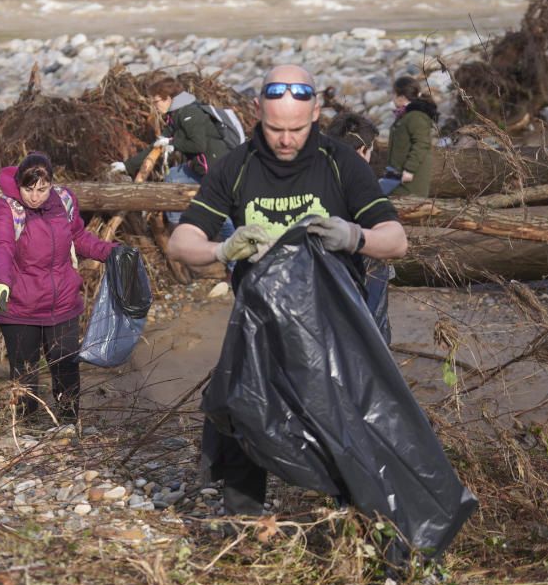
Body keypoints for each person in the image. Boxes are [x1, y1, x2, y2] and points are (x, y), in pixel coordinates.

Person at [167, 65, 408, 516]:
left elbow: (396, 239)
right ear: (256, 112)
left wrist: (354, 236)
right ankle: (245, 525)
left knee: (347, 432)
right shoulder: (235, 168)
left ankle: (352, 519)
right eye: (275, 127)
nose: (285, 139)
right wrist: (224, 249)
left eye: (297, 129)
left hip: (332, 329)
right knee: (241, 415)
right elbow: (182, 243)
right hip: (260, 329)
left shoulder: (342, 163)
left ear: (316, 113)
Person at [0, 152, 117, 425]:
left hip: (63, 303)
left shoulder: (64, 201)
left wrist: (112, 253)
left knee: (66, 367)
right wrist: (0, 282)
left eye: (42, 189)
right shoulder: (7, 207)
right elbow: (1, 246)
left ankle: (69, 424)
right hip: (21, 306)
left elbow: (79, 238)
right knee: (24, 372)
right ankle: (26, 427)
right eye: (29, 189)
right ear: (19, 184)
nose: (35, 196)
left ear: (51, 185)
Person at [114, 77, 235, 235]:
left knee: (222, 217)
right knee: (173, 175)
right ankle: (179, 229)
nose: (155, 107)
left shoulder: (190, 113)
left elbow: (198, 145)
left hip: (214, 169)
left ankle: (236, 253)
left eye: (156, 102)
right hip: (199, 168)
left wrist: (173, 144)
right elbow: (157, 145)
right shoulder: (175, 115)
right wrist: (127, 165)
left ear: (168, 99)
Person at [326, 111, 394, 343]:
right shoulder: (360, 177)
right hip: (360, 265)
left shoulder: (314, 172)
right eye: (371, 149)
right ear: (362, 149)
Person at [385, 75, 438, 197]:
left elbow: (422, 144)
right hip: (398, 174)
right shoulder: (406, 114)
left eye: (394, 94)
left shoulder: (416, 116)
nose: (392, 97)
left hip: (409, 179)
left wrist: (409, 170)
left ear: (402, 97)